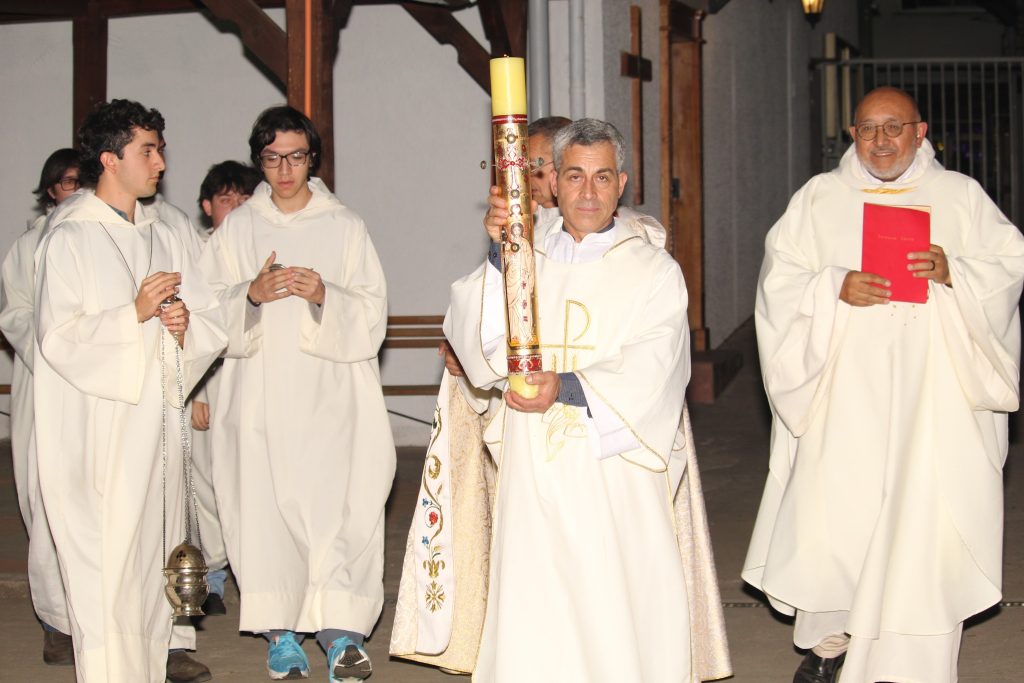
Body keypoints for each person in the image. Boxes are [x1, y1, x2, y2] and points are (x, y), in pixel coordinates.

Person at [397, 118, 729, 681]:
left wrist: (567, 387)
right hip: (533, 465)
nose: (588, 192)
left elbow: (658, 363)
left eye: (602, 177)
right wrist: (502, 251)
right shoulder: (525, 255)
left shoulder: (652, 268)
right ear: (554, 182)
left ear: (622, 182)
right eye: (575, 176)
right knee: (537, 601)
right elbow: (479, 338)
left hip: (614, 467)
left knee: (614, 600)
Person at [743, 86, 1024, 683]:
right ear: (852, 134)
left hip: (934, 401)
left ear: (920, 133)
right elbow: (778, 284)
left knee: (925, 526)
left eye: (894, 127)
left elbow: (1007, 266)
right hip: (845, 399)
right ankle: (831, 647)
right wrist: (833, 286)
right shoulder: (818, 199)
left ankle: (914, 665)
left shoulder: (961, 197)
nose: (881, 140)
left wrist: (955, 272)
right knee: (838, 523)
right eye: (868, 128)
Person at [31, 99, 227, 682]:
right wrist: (133, 314)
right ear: (110, 159)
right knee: (105, 573)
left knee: (147, 572)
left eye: (160, 149)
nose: (161, 163)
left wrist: (182, 328)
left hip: (155, 435)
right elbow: (58, 339)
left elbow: (207, 321)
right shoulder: (68, 238)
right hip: (100, 439)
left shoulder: (164, 236)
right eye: (148, 150)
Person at [199, 106, 394, 682]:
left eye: (296, 156)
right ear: (259, 160)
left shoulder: (344, 226)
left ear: (313, 159)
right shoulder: (238, 228)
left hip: (333, 400)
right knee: (264, 510)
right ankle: (280, 633)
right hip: (258, 400)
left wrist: (327, 296)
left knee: (339, 510)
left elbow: (374, 312)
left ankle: (341, 635)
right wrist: (250, 295)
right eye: (273, 158)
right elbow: (205, 310)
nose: (285, 170)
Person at [0, 148, 80, 666]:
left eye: (83, 181)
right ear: (51, 190)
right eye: (67, 182)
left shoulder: (111, 238)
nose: (76, 190)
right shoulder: (28, 247)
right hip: (46, 382)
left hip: (102, 387)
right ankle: (56, 623)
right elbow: (16, 315)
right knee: (45, 502)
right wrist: (61, 352)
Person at [186, 159, 262, 618]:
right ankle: (213, 572)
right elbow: (193, 324)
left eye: (244, 198)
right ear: (207, 206)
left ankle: (255, 573)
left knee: (252, 476)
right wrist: (195, 391)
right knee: (207, 478)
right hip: (209, 378)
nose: (235, 206)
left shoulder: (261, 248)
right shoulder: (194, 253)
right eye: (225, 198)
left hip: (253, 378)